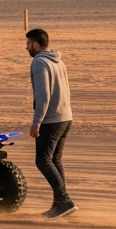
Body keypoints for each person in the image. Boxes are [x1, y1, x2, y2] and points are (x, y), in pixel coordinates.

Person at [26, 28, 76, 219]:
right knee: (55, 160)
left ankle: (64, 200)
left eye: (29, 43)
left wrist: (37, 122)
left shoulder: (39, 62)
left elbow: (43, 95)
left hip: (51, 119)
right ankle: (60, 204)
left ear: (37, 45)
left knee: (42, 160)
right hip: (65, 116)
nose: (27, 47)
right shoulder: (58, 60)